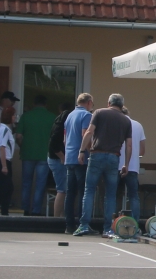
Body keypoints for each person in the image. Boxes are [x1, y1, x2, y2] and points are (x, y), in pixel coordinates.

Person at [76, 93, 133, 238]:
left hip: (97, 154)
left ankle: (84, 225)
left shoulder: (99, 113)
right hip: (114, 157)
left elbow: (89, 132)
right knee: (110, 194)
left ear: (109, 103)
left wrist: (82, 151)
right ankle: (108, 228)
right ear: (122, 105)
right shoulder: (126, 120)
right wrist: (126, 164)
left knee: (89, 190)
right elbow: (129, 145)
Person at [17, 95, 56, 216]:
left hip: (27, 154)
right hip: (44, 154)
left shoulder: (26, 116)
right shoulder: (52, 117)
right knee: (40, 184)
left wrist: (22, 146)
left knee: (26, 183)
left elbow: (18, 136)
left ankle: (25, 209)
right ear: (46, 104)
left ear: (34, 104)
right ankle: (36, 210)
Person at [62, 94, 94, 234]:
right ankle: (82, 224)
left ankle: (69, 225)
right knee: (83, 192)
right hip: (81, 158)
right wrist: (91, 151)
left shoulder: (70, 115)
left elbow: (65, 139)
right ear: (89, 102)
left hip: (69, 156)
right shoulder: (86, 115)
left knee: (70, 193)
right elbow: (84, 134)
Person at [117, 101, 146, 234]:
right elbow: (142, 150)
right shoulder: (138, 125)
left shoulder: (115, 123)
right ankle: (135, 225)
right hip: (133, 166)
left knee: (113, 195)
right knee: (134, 196)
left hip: (116, 164)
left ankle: (114, 223)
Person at [47, 105, 69, 219]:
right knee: (62, 190)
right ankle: (56, 219)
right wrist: (63, 158)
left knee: (63, 190)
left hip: (53, 159)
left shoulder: (57, 125)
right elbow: (54, 145)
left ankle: (61, 216)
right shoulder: (60, 130)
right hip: (57, 160)